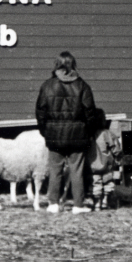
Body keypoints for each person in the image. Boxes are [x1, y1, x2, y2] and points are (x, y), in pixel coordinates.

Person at [36, 51, 98, 214]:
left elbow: (40, 112)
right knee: (76, 170)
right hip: (78, 136)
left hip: (54, 135)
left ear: (56, 65)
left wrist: (45, 131)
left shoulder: (47, 85)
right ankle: (78, 205)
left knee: (55, 170)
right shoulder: (83, 86)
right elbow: (90, 113)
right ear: (73, 65)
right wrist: (88, 132)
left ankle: (53, 204)